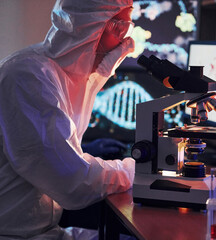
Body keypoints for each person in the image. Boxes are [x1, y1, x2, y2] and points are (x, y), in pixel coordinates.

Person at [0, 0, 136, 239]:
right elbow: (71, 181)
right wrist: (133, 172)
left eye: (127, 27)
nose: (125, 41)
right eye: (118, 27)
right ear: (87, 26)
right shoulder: (28, 76)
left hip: (42, 230)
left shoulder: (61, 76)